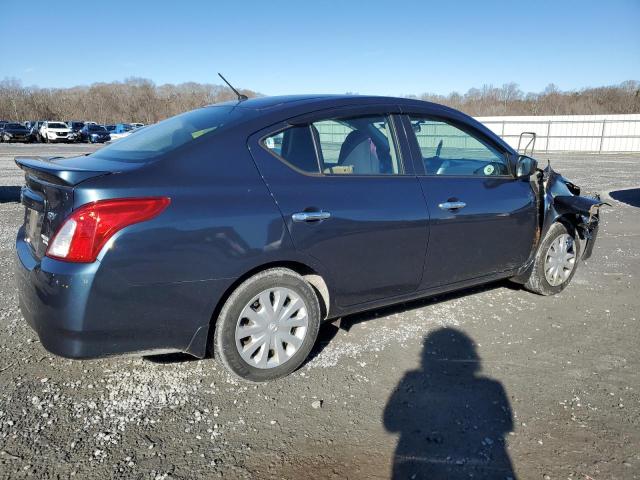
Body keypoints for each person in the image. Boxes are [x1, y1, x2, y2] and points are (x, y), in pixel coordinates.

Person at [383, 328, 516, 479]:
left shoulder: (412, 379)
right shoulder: (491, 386)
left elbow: (390, 424)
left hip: (417, 462)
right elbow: (506, 424)